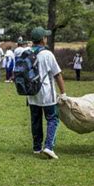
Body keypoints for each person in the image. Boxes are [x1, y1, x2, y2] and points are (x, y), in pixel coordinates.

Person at [27, 27, 67, 159]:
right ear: (43, 39)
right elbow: (57, 74)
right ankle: (49, 147)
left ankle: (37, 148)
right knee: (52, 119)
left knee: (36, 120)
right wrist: (63, 93)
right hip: (46, 93)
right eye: (45, 36)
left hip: (32, 94)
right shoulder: (47, 54)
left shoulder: (27, 53)